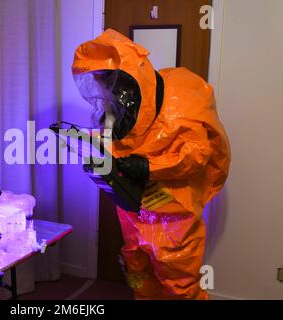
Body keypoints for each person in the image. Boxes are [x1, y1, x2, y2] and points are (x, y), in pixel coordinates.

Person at [72, 29, 231, 300]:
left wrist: (148, 168)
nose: (104, 87)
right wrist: (92, 152)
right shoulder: (117, 104)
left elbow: (197, 154)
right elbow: (115, 139)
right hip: (133, 207)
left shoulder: (181, 97)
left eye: (106, 79)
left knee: (179, 282)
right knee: (138, 269)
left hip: (174, 212)